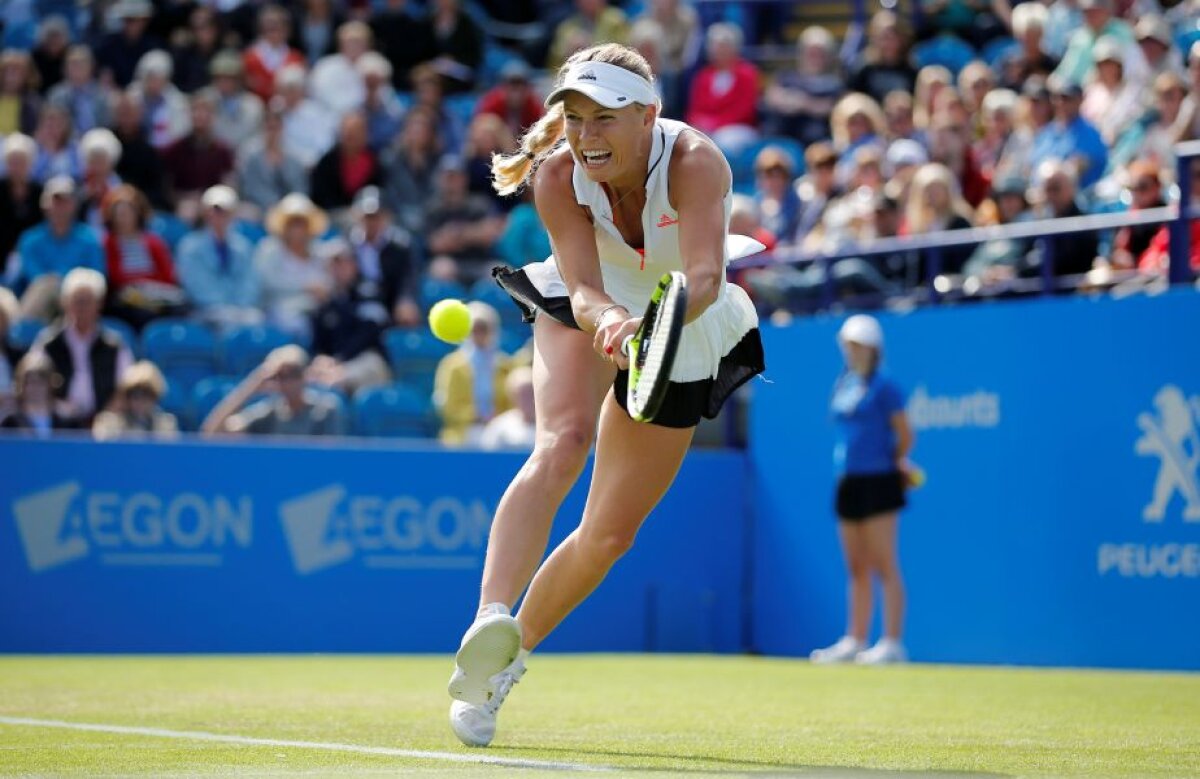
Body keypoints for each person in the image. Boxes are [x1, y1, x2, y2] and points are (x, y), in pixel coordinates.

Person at [447, 43, 765, 748]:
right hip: (594, 308)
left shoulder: (696, 162)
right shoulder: (558, 175)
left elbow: (705, 277)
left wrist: (655, 325)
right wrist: (612, 320)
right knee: (561, 443)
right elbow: (584, 289)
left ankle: (504, 661)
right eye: (574, 118)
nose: (586, 135)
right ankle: (489, 617)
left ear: (649, 115)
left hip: (685, 317)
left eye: (604, 118)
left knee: (611, 534)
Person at [810, 315, 914, 666]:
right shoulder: (844, 383)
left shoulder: (886, 387)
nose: (850, 351)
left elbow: (905, 434)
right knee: (856, 565)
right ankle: (855, 639)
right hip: (848, 480)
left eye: (857, 345)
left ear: (872, 348)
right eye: (847, 345)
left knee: (884, 563)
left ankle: (892, 643)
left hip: (880, 480)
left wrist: (895, 461)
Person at [32, 267, 134, 425]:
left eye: (87, 301)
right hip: (57, 424)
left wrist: (106, 415)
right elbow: (33, 380)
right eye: (77, 301)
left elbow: (126, 387)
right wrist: (57, 406)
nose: (81, 307)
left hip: (105, 425)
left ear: (99, 304)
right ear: (65, 302)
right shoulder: (49, 343)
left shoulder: (114, 345)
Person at [201, 344, 347, 437]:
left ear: (305, 375)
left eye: (295, 374)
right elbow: (212, 432)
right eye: (281, 376)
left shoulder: (326, 410)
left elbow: (331, 458)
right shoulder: (268, 412)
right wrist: (252, 384)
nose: (289, 382)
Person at [307, 238, 392, 396]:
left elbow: (368, 333)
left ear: (354, 264)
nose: (338, 269)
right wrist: (322, 360)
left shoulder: (369, 292)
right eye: (333, 264)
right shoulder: (325, 302)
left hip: (367, 359)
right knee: (309, 379)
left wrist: (339, 359)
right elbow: (319, 342)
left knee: (337, 381)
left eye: (343, 262)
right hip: (334, 363)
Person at [12, 176, 104, 321]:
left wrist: (69, 286)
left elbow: (97, 275)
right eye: (55, 202)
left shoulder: (90, 238)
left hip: (80, 297)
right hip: (43, 301)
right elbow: (35, 277)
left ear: (75, 205)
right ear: (44, 205)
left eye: (65, 202)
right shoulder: (30, 239)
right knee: (45, 287)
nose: (60, 208)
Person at [176, 185, 263, 330]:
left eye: (224, 211)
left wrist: (238, 307)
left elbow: (250, 282)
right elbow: (196, 285)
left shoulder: (243, 246)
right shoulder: (189, 247)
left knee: (256, 321)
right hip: (204, 313)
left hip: (240, 311)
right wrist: (224, 307)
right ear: (205, 213)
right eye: (214, 210)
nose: (218, 216)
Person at [100, 184, 183, 328]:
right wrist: (138, 285)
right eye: (119, 213)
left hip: (156, 296)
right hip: (125, 302)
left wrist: (147, 286)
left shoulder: (154, 242)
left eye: (128, 212)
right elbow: (115, 277)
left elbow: (168, 276)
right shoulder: (108, 243)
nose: (123, 218)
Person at [433, 301, 512, 445]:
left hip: (499, 431)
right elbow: (448, 407)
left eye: (484, 329)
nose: (479, 334)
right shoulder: (451, 365)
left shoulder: (505, 365)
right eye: (474, 329)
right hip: (462, 433)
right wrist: (476, 416)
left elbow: (512, 405)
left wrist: (497, 420)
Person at [255, 193, 333, 338]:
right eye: (293, 223)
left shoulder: (319, 251)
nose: (297, 229)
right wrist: (305, 287)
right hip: (277, 313)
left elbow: (328, 283)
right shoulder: (269, 250)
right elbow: (267, 283)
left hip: (316, 313)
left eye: (301, 223)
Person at [346, 186, 420, 327]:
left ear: (387, 217)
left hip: (388, 305)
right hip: (353, 306)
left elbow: (408, 277)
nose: (371, 222)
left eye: (376, 216)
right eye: (368, 216)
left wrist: (405, 300)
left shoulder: (400, 246)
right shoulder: (346, 245)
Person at [92, 359, 179, 440]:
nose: (141, 401)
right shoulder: (110, 423)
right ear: (127, 397)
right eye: (135, 395)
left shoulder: (166, 425)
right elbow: (101, 446)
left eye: (147, 394)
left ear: (155, 397)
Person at [0, 350, 74, 436]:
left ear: (50, 384)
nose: (35, 388)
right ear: (22, 384)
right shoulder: (10, 421)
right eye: (30, 382)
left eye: (40, 382)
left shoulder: (66, 420)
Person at [0, 133, 43, 269]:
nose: (17, 167)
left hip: (34, 255)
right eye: (13, 162)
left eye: (21, 162)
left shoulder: (40, 192)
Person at [480, 366, 536, 450]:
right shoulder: (499, 426)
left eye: (530, 393)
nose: (527, 399)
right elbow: (488, 453)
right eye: (522, 395)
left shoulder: (549, 426)